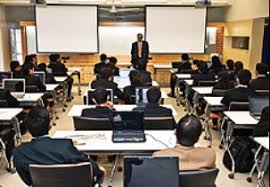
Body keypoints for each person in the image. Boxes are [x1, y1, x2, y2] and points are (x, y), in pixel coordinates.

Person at [13, 106, 104, 186]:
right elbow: (88, 166)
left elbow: (28, 181)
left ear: (27, 128)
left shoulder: (19, 152)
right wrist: (100, 171)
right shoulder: (65, 145)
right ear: (50, 125)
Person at [0, 89, 19, 170]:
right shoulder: (4, 92)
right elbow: (16, 103)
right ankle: (11, 162)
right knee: (10, 130)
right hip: (3, 129)